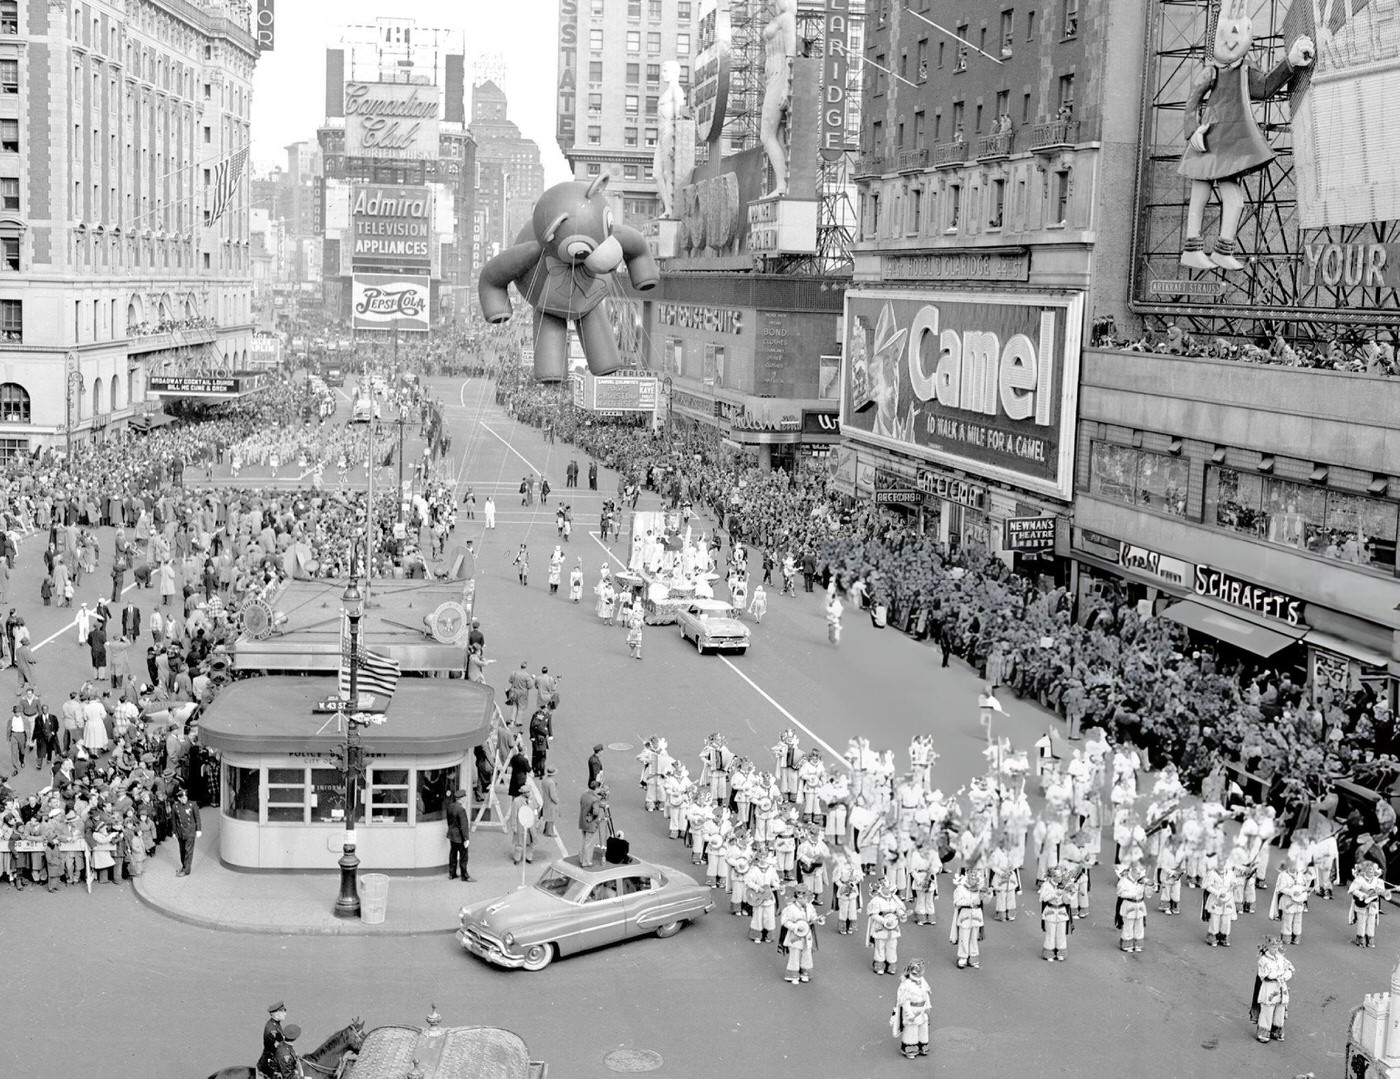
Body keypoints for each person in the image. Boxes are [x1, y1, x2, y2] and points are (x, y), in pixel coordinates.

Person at [1250, 936, 1294, 1044]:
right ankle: (1264, 1032)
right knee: (1267, 1009)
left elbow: (1290, 968)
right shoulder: (1263, 960)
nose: (1276, 950)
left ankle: (1277, 1030)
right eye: (1273, 948)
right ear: (1268, 947)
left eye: (1277, 947)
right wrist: (1278, 975)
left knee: (1280, 1008)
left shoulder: (1281, 957)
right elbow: (1265, 974)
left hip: (1281, 987)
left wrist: (1286, 975)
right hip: (1269, 988)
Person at [778, 885, 821, 984]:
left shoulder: (809, 906)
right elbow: (784, 921)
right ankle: (793, 975)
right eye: (804, 898)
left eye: (807, 898)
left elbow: (813, 916)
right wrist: (795, 927)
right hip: (795, 935)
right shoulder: (790, 908)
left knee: (807, 953)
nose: (806, 900)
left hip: (807, 935)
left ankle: (805, 973)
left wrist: (817, 919)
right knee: (795, 954)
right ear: (798, 897)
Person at [891, 959, 932, 1060]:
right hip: (913, 1011)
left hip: (922, 1010)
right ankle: (911, 1048)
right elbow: (905, 1002)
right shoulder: (906, 984)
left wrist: (928, 1006)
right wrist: (909, 1015)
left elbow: (926, 994)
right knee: (911, 1030)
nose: (920, 972)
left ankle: (922, 1045)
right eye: (918, 970)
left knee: (923, 1029)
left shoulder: (922, 981)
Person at [951, 867, 988, 969]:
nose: (973, 877)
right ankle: (963, 957)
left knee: (973, 938)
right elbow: (956, 902)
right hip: (965, 916)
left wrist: (988, 894)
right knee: (964, 937)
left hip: (976, 916)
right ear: (967, 874)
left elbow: (985, 901)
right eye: (971, 874)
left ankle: (973, 957)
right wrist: (969, 902)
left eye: (975, 875)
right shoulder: (960, 888)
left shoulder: (979, 889)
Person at [1349, 858, 1390, 948]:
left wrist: (1385, 892)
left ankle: (1370, 937)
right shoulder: (1359, 879)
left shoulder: (1377, 880)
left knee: (1371, 921)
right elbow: (1352, 890)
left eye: (1372, 869)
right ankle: (1360, 937)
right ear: (1364, 870)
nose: (1371, 870)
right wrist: (1362, 895)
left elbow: (1381, 891)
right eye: (1368, 868)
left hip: (1373, 904)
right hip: (1361, 904)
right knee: (1362, 921)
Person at [171, 786, 200, 877]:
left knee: (188, 851)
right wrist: (174, 831)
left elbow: (197, 818)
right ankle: (184, 866)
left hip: (190, 831)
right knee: (182, 850)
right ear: (179, 798)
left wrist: (198, 829)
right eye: (183, 798)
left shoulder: (193, 805)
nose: (185, 799)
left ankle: (187, 870)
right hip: (180, 831)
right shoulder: (175, 807)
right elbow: (174, 820)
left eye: (186, 797)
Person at [446, 789, 473, 882]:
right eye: (465, 796)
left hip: (452, 834)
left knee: (453, 853)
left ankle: (451, 873)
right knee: (463, 856)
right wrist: (466, 838)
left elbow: (449, 821)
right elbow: (464, 825)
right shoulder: (461, 809)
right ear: (462, 798)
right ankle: (464, 875)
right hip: (460, 836)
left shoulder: (450, 806)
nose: (466, 798)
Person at [579, 780, 606, 867]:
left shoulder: (584, 795)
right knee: (589, 843)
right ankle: (586, 861)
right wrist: (597, 820)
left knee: (584, 841)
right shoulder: (595, 799)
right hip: (591, 824)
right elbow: (595, 812)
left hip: (583, 821)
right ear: (597, 788)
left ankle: (582, 858)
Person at [259, 1003, 288, 1079]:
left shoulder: (276, 1024)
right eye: (283, 1011)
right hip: (271, 1062)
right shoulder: (272, 1029)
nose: (285, 1014)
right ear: (277, 1013)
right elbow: (277, 1048)